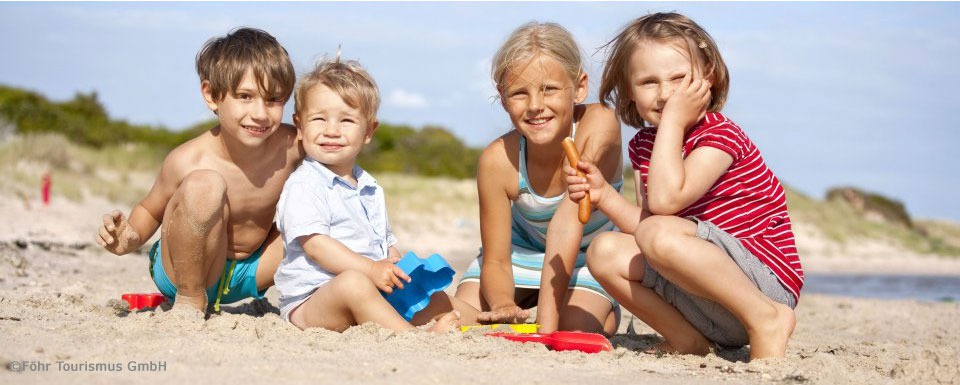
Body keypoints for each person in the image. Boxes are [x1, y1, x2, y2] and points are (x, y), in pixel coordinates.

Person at [565, 12, 802, 359]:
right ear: (629, 90)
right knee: (604, 250)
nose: (665, 95)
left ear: (707, 76)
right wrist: (603, 196)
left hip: (760, 286)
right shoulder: (646, 146)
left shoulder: (720, 135)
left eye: (678, 78)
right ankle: (688, 340)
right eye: (648, 82)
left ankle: (766, 320)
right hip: (704, 301)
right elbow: (646, 223)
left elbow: (666, 201)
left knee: (658, 233)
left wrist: (674, 120)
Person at [95, 27, 302, 315]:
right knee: (204, 185)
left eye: (273, 100)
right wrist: (131, 237)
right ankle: (190, 301)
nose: (260, 113)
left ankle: (323, 298)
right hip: (184, 270)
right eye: (245, 96)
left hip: (256, 269)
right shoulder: (188, 158)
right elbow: (152, 209)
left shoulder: (292, 146)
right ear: (212, 96)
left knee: (320, 188)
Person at [274, 56, 473, 333]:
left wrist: (396, 268)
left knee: (432, 297)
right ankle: (415, 338)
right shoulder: (304, 184)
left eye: (346, 120)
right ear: (299, 125)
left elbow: (383, 244)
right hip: (314, 301)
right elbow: (316, 245)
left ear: (368, 130)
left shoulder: (369, 186)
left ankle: (486, 321)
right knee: (353, 283)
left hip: (370, 289)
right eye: (319, 119)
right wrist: (370, 270)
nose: (331, 130)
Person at [454, 22, 624, 335]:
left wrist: (545, 322)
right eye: (520, 93)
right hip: (520, 259)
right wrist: (503, 303)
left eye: (549, 89)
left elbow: (570, 216)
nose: (535, 106)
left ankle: (605, 311)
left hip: (586, 261)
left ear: (580, 87)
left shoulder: (599, 122)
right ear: (504, 100)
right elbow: (496, 259)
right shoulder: (497, 160)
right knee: (459, 316)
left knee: (574, 326)